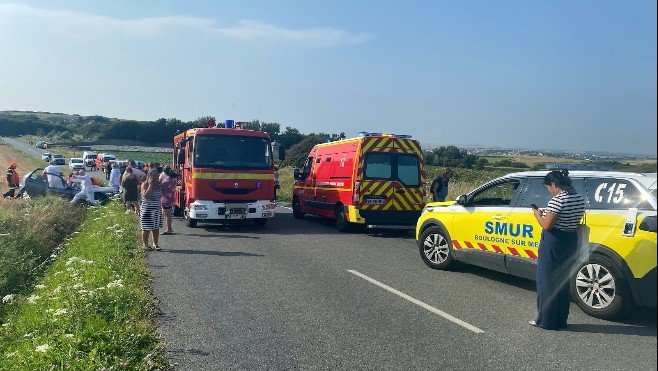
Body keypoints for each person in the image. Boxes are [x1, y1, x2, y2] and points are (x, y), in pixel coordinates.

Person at [530, 169, 585, 330]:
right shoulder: (578, 198)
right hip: (570, 241)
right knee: (562, 282)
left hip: (554, 241)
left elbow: (547, 225)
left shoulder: (557, 200)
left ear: (554, 184)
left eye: (548, 187)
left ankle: (545, 320)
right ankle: (561, 319)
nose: (549, 190)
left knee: (546, 281)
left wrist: (537, 215)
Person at [140, 169, 164, 251]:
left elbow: (164, 193)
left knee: (156, 228)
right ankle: (145, 245)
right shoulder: (145, 184)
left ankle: (155, 244)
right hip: (147, 210)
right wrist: (150, 185)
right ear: (148, 176)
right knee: (146, 228)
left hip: (156, 209)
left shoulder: (159, 185)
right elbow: (146, 196)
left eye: (156, 175)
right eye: (152, 175)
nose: (155, 177)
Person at [160, 167, 178, 235]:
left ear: (164, 173)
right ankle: (170, 228)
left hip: (166, 198)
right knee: (167, 214)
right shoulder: (173, 179)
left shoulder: (166, 181)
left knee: (167, 215)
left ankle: (169, 229)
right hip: (171, 197)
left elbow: (163, 190)